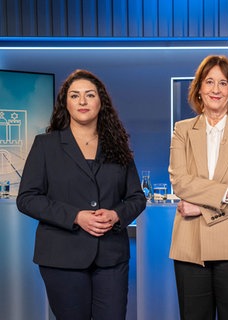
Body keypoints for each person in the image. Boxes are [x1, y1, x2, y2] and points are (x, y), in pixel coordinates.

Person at [16, 69, 147, 320]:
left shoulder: (118, 146)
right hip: (62, 256)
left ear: (101, 102)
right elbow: (27, 198)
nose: (83, 101)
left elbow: (136, 197)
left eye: (89, 95)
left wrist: (116, 215)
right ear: (66, 103)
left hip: (111, 256)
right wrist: (76, 216)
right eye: (75, 96)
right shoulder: (46, 145)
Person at [168, 55, 228, 320]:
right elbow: (180, 180)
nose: (215, 89)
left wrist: (201, 209)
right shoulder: (182, 130)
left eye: (223, 83)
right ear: (198, 89)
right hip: (191, 246)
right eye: (209, 82)